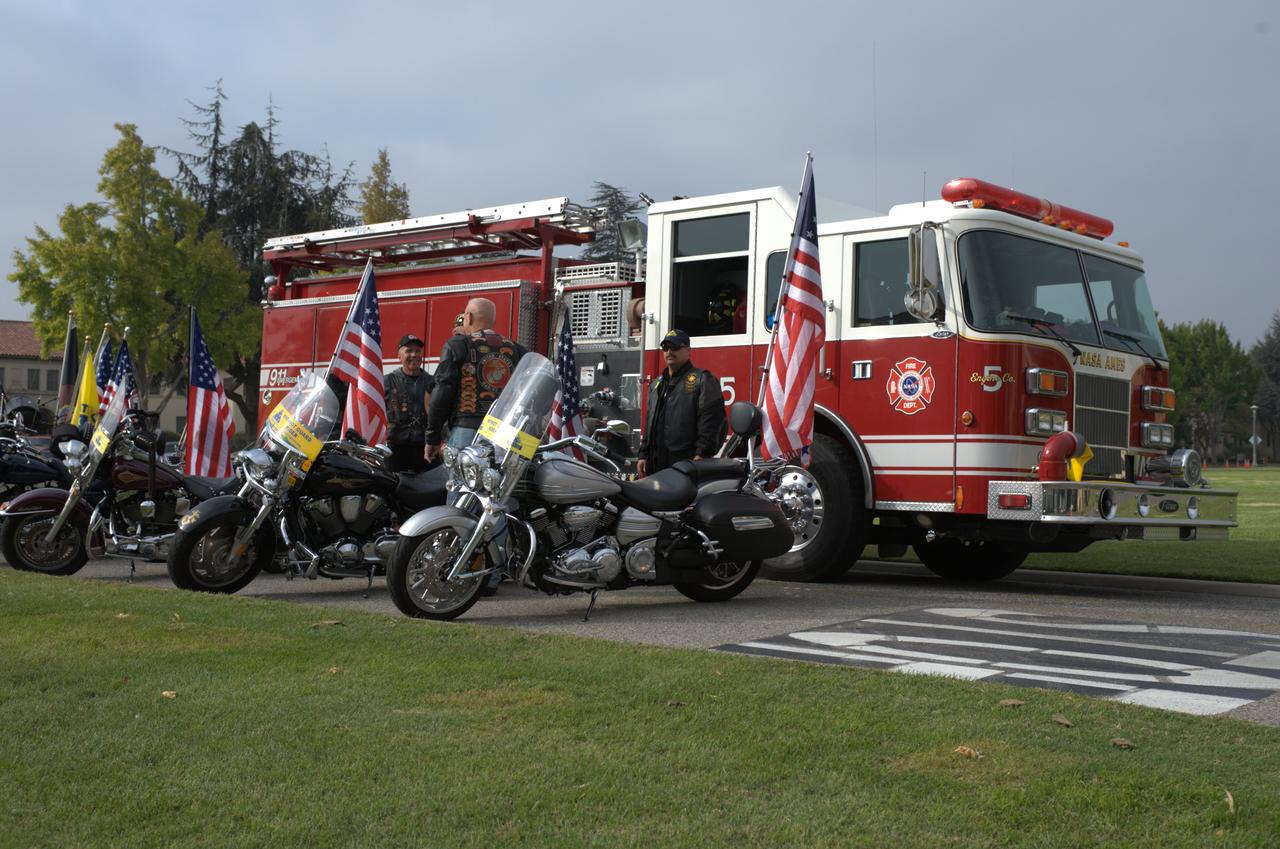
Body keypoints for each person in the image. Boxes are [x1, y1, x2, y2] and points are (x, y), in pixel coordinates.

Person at [425, 298, 527, 594]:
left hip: (466, 432)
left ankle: (460, 571)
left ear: (468, 316)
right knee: (496, 501)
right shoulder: (516, 350)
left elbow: (443, 391)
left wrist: (432, 438)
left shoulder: (458, 345)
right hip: (504, 437)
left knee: (460, 500)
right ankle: (492, 575)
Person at [637, 329, 727, 477]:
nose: (669, 352)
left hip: (685, 465)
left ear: (688, 350)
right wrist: (643, 454)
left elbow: (712, 423)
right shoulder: (657, 384)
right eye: (665, 348)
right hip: (655, 465)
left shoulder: (702, 380)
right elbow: (649, 424)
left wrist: (701, 456)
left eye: (675, 347)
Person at [383, 334, 435, 473]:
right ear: (399, 356)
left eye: (418, 351)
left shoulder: (433, 382)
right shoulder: (387, 381)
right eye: (409, 351)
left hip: (425, 449)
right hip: (395, 449)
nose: (414, 355)